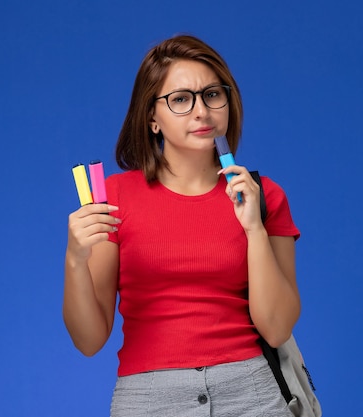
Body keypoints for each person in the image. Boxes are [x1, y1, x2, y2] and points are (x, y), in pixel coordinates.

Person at [63, 34, 301, 417]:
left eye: (212, 95)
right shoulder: (113, 196)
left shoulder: (263, 194)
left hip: (252, 395)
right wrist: (75, 259)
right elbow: (89, 340)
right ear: (151, 117)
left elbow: (276, 329)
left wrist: (253, 228)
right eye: (180, 99)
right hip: (149, 399)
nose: (201, 111)